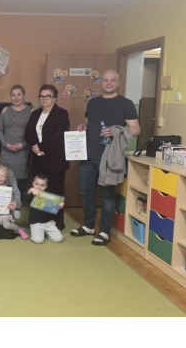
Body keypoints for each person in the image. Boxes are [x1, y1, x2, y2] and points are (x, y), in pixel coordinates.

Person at [71, 69, 140, 246]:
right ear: (101, 82)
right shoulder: (92, 102)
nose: (109, 83)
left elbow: (135, 129)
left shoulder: (126, 103)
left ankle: (104, 231)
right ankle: (88, 226)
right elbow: (88, 123)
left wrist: (117, 130)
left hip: (110, 158)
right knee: (86, 192)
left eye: (112, 80)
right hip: (88, 155)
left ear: (118, 83)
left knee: (107, 196)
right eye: (105, 80)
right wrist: (82, 126)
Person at [24, 84, 70, 231]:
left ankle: (56, 223)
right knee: (40, 192)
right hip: (37, 160)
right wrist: (35, 147)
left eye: (48, 96)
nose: (44, 99)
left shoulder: (61, 113)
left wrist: (41, 147)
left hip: (55, 160)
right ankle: (40, 221)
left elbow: (59, 136)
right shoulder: (35, 114)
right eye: (42, 96)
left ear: (55, 98)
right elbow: (28, 133)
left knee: (54, 192)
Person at [0, 85, 31, 196]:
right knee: (5, 178)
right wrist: (6, 144)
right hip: (6, 151)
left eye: (19, 94)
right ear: (10, 96)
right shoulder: (5, 110)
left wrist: (23, 145)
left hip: (23, 152)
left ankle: (18, 204)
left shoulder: (30, 111)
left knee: (22, 181)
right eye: (13, 95)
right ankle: (6, 203)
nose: (16, 98)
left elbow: (33, 133)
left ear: (24, 95)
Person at [27, 173, 64, 244]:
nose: (39, 187)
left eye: (42, 185)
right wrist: (31, 190)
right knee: (38, 240)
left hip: (48, 222)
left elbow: (54, 208)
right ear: (33, 183)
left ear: (46, 186)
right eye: (37, 184)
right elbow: (26, 197)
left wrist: (60, 205)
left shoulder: (48, 196)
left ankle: (46, 234)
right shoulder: (32, 194)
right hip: (36, 223)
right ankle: (40, 233)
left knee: (59, 239)